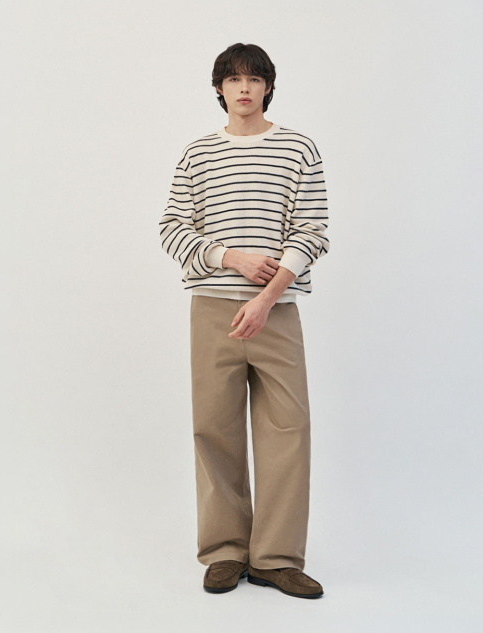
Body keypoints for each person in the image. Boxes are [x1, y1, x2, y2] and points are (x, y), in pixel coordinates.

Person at [158, 42, 329, 599]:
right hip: (212, 309)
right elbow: (172, 228)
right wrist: (232, 258)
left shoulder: (298, 148)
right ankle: (225, 551)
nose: (245, 88)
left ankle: (276, 558)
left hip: (275, 311)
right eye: (234, 79)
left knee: (289, 429)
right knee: (215, 429)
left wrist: (266, 296)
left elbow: (312, 230)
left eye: (254, 78)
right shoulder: (198, 153)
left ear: (268, 86)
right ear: (219, 89)